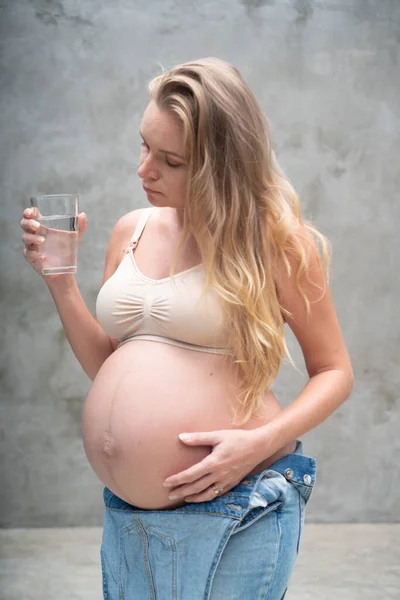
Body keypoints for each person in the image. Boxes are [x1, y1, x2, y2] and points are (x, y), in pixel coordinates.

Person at [20, 57, 354, 600]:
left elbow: (335, 371)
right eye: (144, 146)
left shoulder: (275, 240)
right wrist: (60, 282)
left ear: (221, 164)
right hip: (131, 517)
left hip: (237, 502)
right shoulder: (131, 229)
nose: (144, 170)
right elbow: (111, 367)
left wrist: (255, 444)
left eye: (170, 160)